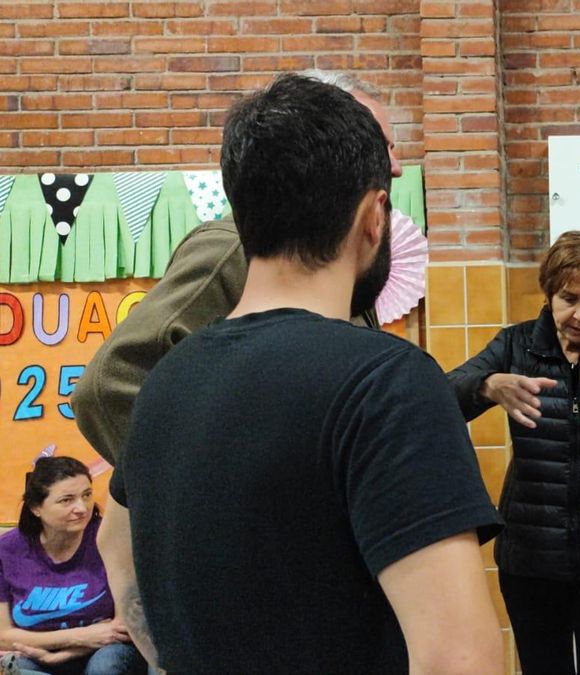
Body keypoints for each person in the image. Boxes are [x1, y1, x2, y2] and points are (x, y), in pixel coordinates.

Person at [95, 74, 503, 674]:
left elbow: (117, 552)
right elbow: (460, 659)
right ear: (373, 217)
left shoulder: (167, 381)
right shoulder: (387, 383)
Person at [72, 69, 402, 466]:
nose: (395, 165)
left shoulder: (341, 254)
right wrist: (202, 483)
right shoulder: (233, 248)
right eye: (379, 145)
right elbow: (108, 384)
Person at [447, 230, 580, 675]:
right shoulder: (514, 346)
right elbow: (438, 398)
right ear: (549, 293)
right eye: (569, 298)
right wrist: (487, 385)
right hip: (530, 557)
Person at [0, 457, 147, 675]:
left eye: (86, 495)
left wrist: (59, 655)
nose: (82, 508)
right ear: (35, 508)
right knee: (19, 668)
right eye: (67, 500)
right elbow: (4, 635)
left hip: (103, 651)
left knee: (105, 666)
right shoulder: (7, 550)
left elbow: (122, 627)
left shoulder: (109, 538)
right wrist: (83, 636)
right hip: (36, 654)